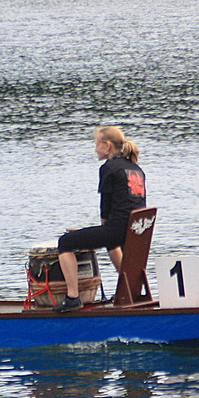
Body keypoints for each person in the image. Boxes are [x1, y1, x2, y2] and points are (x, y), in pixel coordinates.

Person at [54, 125, 147, 313]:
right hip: (137, 229)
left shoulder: (109, 167)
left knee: (65, 242)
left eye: (96, 145)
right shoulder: (135, 168)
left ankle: (73, 297)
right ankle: (128, 289)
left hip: (118, 229)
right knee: (110, 243)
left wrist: (101, 230)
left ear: (107, 145)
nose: (95, 149)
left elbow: (106, 205)